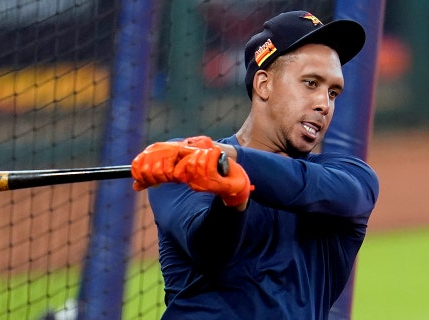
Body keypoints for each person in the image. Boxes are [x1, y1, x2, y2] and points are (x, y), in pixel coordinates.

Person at [130, 11, 379, 319]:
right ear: (264, 84)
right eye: (310, 83)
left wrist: (233, 161)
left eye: (332, 92)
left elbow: (306, 186)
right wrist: (232, 200)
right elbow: (209, 252)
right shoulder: (188, 167)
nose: (324, 104)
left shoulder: (351, 177)